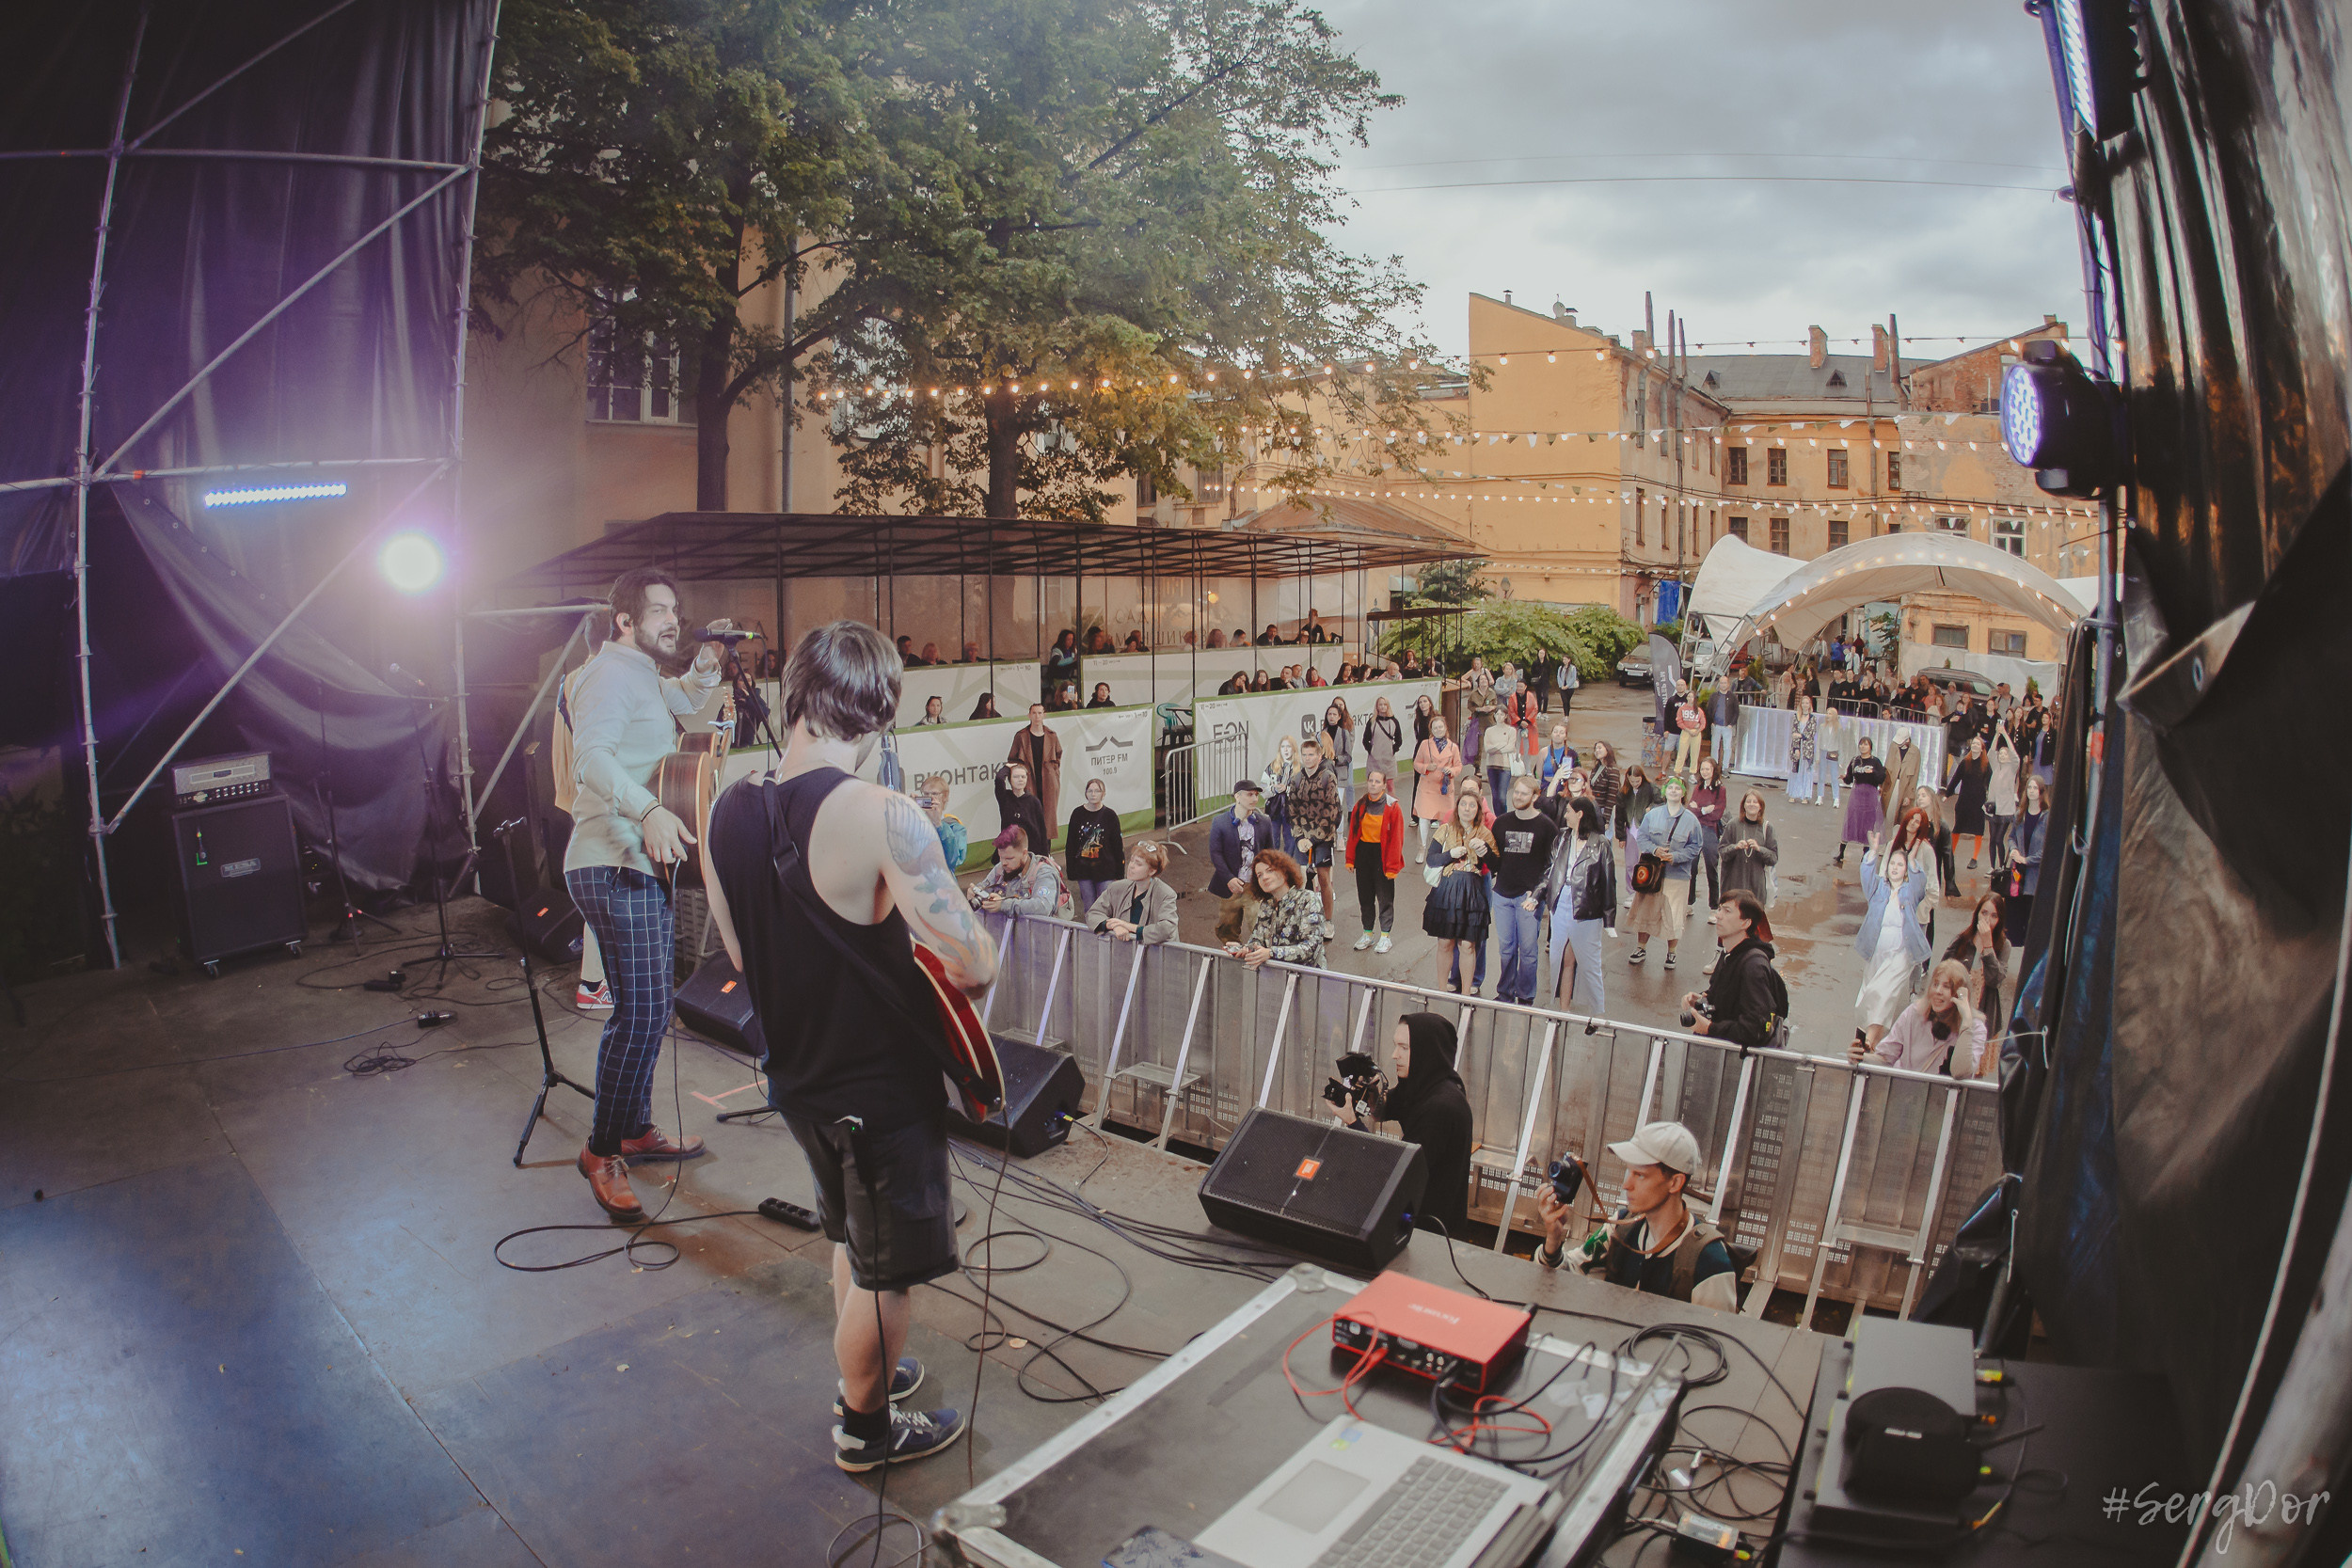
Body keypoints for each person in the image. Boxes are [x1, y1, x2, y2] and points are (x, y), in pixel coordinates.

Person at [701, 618, 996, 1471]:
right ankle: (864, 1428)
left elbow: (742, 953)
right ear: (878, 711)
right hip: (879, 1088)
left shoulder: (730, 808)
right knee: (885, 1272)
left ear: (796, 694)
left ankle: (864, 1372)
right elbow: (971, 966)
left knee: (849, 1237)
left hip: (798, 1078)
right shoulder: (880, 812)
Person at [562, 567, 731, 1220]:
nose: (672, 620)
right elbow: (591, 759)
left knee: (647, 1009)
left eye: (675, 609)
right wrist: (648, 809)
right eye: (658, 610)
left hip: (636, 862)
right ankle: (602, 1150)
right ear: (625, 620)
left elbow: (685, 702)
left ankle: (632, 1127)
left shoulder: (641, 675)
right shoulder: (606, 674)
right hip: (613, 857)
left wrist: (709, 666)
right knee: (643, 1013)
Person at [1534, 1121, 1738, 1311]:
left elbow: (1716, 1343)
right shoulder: (1622, 1228)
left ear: (1675, 1183)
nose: (1626, 1185)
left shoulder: (1710, 1261)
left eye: (1639, 1175)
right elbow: (1564, 1279)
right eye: (1629, 1172)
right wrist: (1553, 1239)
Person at [1334, 1014, 1474, 1238]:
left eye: (1404, 1048)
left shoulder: (1441, 1108)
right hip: (1419, 1218)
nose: (1394, 1055)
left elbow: (1395, 1173)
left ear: (1427, 1051)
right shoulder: (1429, 1081)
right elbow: (1387, 1108)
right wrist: (1370, 1095)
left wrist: (1353, 1123)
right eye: (1395, 1046)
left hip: (1430, 1235)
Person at [1541, 791, 1614, 1030]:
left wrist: (1609, 920)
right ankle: (1562, 1010)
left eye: (1569, 812)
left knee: (1590, 962)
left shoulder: (1601, 844)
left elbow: (1608, 882)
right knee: (1562, 958)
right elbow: (1551, 870)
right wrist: (1538, 895)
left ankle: (1599, 1014)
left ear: (1580, 814)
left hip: (1587, 908)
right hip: (1561, 903)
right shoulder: (1562, 838)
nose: (1565, 815)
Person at [1854, 835, 1931, 1056]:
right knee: (1872, 994)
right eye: (1892, 864)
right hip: (1876, 949)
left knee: (1883, 991)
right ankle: (1873, 1043)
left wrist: (1914, 860)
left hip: (1901, 952)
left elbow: (1920, 884)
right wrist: (1874, 851)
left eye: (1900, 865)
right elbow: (1866, 875)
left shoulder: (1910, 891)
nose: (1895, 868)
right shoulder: (1878, 888)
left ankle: (1868, 1039)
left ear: (1906, 870)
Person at [1852, 959, 1987, 1078]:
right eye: (1935, 984)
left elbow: (1961, 1073)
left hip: (1940, 1100)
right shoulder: (1914, 1013)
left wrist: (1966, 1024)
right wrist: (1859, 1057)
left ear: (1959, 994)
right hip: (1902, 1094)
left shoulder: (1975, 1029)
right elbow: (1885, 1058)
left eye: (1946, 986)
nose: (1938, 991)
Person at [1490, 775, 1559, 1005]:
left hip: (1528, 898)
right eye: (1516, 792)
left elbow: (1551, 866)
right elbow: (1496, 861)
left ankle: (1526, 995)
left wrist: (1538, 893)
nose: (1518, 797)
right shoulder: (1501, 823)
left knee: (1528, 951)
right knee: (1506, 949)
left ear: (1535, 796)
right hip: (1502, 894)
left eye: (1523, 793)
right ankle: (1505, 993)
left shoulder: (1547, 827)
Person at [1679, 893, 1781, 1048]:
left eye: (1727, 911)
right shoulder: (1729, 953)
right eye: (1719, 909)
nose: (1719, 916)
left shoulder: (1754, 966)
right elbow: (1729, 995)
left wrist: (1710, 1028)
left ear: (1745, 923)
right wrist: (1702, 998)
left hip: (1739, 1063)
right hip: (1722, 1054)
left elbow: (1755, 1029)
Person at [1424, 784, 1498, 995]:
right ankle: (1440, 990)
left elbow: (1496, 866)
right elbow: (1431, 858)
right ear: (1457, 808)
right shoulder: (1445, 829)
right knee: (1445, 942)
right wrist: (1450, 855)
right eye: (1463, 804)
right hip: (1447, 889)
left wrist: (1485, 853)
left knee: (1468, 945)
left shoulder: (1485, 833)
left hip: (1473, 891)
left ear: (1478, 810)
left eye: (1472, 805)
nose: (1467, 808)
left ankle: (1466, 994)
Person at [1628, 774, 1703, 969]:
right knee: (1645, 911)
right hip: (1652, 875)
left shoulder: (1691, 820)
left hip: (1678, 875)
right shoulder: (1652, 815)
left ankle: (1671, 953)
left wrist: (1676, 857)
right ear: (1664, 792)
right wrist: (1654, 850)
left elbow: (1696, 847)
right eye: (1670, 788)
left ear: (1684, 793)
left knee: (1674, 916)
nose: (1673, 791)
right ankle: (1640, 948)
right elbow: (1642, 838)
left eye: (1678, 788)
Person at [1227, 847, 1327, 969]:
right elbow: (1257, 941)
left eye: (1270, 870)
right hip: (1275, 978)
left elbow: (1310, 948)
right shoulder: (1266, 905)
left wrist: (1270, 953)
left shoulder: (1308, 899)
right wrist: (1244, 949)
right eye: (1259, 875)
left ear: (1285, 872)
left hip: (1308, 979)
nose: (1264, 877)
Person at [1345, 769, 1406, 953]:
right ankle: (1368, 934)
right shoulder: (1360, 805)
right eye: (1370, 781)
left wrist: (1392, 867)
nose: (1373, 784)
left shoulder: (1393, 807)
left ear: (1384, 784)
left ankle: (1385, 936)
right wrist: (1350, 859)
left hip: (1383, 855)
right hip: (1364, 854)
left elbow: (1397, 838)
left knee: (1385, 898)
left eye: (1377, 781)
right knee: (1365, 896)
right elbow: (1354, 833)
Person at [1289, 736, 1343, 920]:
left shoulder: (1328, 777)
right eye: (1304, 755)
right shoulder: (1295, 779)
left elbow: (1332, 812)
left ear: (1319, 756)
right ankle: (1304, 919)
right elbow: (1292, 811)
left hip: (1323, 838)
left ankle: (1328, 921)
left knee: (1323, 878)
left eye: (1311, 755)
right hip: (1302, 838)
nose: (1308, 758)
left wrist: (1313, 839)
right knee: (1301, 880)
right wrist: (1299, 839)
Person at [1944, 892, 2010, 1039]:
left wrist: (1988, 947)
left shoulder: (2004, 946)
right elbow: (1943, 971)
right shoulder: (1963, 940)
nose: (1987, 920)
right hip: (1957, 1013)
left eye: (1994, 916)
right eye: (1984, 913)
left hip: (1984, 1015)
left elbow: (1995, 980)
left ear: (2000, 920)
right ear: (1977, 914)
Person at [1086, 842, 1177, 943]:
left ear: (1152, 871)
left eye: (1138, 864)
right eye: (1132, 860)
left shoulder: (1166, 894)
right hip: (1124, 953)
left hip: (1155, 956)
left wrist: (1129, 927)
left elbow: (1167, 929)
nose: (1131, 866)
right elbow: (1093, 913)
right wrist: (1114, 925)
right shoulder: (1117, 887)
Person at [971, 825, 1068, 915]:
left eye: (1009, 858)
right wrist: (977, 892)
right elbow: (985, 887)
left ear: (1024, 853)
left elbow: (1044, 906)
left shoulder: (1043, 873)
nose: (1003, 863)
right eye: (1001, 857)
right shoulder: (1000, 869)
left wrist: (1004, 905)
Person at [1717, 789, 1778, 931]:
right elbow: (1722, 852)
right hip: (1733, 885)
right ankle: (1724, 951)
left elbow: (1773, 858)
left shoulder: (1767, 828)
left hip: (1756, 888)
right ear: (1743, 805)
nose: (1751, 805)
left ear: (1760, 806)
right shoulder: (1733, 824)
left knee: (1753, 928)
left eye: (1755, 802)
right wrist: (1734, 847)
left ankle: (1754, 952)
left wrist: (1759, 849)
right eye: (1748, 801)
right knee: (1730, 925)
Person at [1064, 776, 1124, 910]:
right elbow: (1071, 844)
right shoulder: (1077, 813)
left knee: (1104, 906)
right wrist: (1071, 870)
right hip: (1084, 870)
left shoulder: (1110, 815)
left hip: (1106, 871)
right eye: (1090, 791)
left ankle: (1104, 929)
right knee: (1089, 906)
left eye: (1097, 791)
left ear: (1103, 794)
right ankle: (1090, 930)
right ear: (1085, 793)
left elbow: (1117, 846)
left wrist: (1120, 872)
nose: (1093, 794)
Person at [2003, 772, 2050, 944]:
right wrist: (2014, 850)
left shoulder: (2046, 817)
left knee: (2032, 913)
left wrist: (2027, 860)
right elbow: (2011, 837)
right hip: (2018, 873)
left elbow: (2048, 849)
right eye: (2029, 787)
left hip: (2035, 874)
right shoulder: (2020, 814)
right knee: (2015, 913)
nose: (2031, 791)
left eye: (2035, 788)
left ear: (2041, 792)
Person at [1007, 702, 1064, 826]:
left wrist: (1053, 772)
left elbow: (1058, 755)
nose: (1037, 716)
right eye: (1034, 713)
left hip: (1048, 782)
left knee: (1047, 820)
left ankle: (1046, 845)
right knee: (1029, 819)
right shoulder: (1021, 736)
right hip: (1029, 781)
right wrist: (1020, 774)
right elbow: (1012, 759)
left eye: (1040, 713)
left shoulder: (1052, 736)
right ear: (1029, 715)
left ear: (1044, 715)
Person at [1208, 779, 1266, 898]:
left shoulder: (1265, 822)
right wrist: (1229, 878)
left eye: (1256, 795)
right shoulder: (1220, 822)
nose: (1255, 799)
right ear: (1237, 797)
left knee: (1254, 917)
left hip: (1255, 886)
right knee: (1228, 917)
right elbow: (1216, 853)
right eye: (1250, 795)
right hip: (1230, 887)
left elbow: (1269, 853)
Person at [1410, 715, 1462, 849]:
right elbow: (1416, 763)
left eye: (1441, 727)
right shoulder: (1424, 744)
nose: (1438, 730)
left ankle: (1443, 849)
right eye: (1435, 728)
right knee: (1424, 819)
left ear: (1445, 728)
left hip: (1444, 789)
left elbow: (1458, 766)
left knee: (1444, 821)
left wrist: (1451, 770)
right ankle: (1421, 849)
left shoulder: (1453, 747)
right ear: (1431, 730)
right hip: (1427, 788)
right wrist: (1426, 767)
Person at [1944, 734, 1993, 873]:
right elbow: (1955, 779)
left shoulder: (1986, 765)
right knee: (1958, 827)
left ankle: (1974, 858)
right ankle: (1950, 854)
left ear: (1982, 748)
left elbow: (1989, 784)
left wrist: (1989, 800)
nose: (1975, 746)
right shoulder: (1965, 762)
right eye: (1974, 744)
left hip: (1978, 803)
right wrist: (1947, 794)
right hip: (1964, 801)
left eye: (1978, 744)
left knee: (1978, 830)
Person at [1837, 736, 1886, 867]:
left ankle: (1865, 854)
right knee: (1851, 820)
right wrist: (1844, 778)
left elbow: (1881, 777)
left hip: (1870, 794)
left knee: (1868, 822)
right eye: (1861, 744)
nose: (1863, 747)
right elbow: (1849, 778)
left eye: (1866, 744)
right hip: (1857, 794)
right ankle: (1842, 851)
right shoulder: (1855, 761)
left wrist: (1874, 772)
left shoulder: (1875, 762)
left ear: (1870, 747)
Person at [1687, 755, 1726, 913]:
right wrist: (1703, 810)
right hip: (1696, 830)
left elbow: (1717, 813)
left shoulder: (1720, 790)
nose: (1704, 772)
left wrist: (1700, 810)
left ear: (1713, 770)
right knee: (1692, 867)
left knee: (1712, 868)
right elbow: (1691, 810)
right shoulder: (1698, 787)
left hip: (1710, 831)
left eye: (1707, 769)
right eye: (1702, 769)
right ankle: (1689, 903)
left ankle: (1714, 906)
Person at [993, 761, 1048, 863]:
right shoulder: (1005, 798)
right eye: (1016, 777)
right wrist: (1007, 767)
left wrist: (1044, 856)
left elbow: (1042, 830)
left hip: (1031, 851)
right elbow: (999, 779)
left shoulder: (1034, 801)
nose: (1020, 780)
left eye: (1023, 777)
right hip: (1010, 849)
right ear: (1010, 779)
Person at [1259, 733, 1303, 856]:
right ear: (1279, 749)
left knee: (1290, 841)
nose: (1286, 750)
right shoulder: (1272, 767)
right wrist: (1274, 789)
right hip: (1274, 809)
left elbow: (1304, 792)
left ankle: (1288, 864)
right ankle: (1274, 863)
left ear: (1294, 748)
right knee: (1273, 839)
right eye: (1283, 746)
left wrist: (1287, 789)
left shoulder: (1300, 768)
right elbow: (1262, 789)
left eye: (1288, 746)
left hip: (1292, 811)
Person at [1985, 721, 2021, 870]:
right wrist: (1997, 734)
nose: (2002, 756)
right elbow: (1990, 753)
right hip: (1993, 807)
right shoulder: (1995, 766)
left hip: (2005, 809)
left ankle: (2002, 866)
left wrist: (2005, 734)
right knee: (1992, 840)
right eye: (2001, 754)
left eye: (2005, 754)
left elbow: (2015, 756)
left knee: (2000, 839)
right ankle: (1992, 867)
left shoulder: (2012, 768)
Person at [917, 774, 966, 871]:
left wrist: (938, 824)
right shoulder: (916, 822)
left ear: (945, 797)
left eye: (934, 794)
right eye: (926, 794)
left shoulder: (955, 827)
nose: (930, 798)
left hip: (943, 880)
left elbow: (953, 861)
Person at [1478, 696, 1518, 806]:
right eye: (1497, 714)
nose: (1499, 716)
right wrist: (1501, 745)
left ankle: (1502, 817)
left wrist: (1496, 747)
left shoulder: (1511, 730)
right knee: (1495, 796)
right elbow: (1488, 748)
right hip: (1491, 765)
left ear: (1505, 716)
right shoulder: (1489, 731)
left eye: (1501, 714)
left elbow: (1510, 747)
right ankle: (1496, 818)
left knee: (1502, 796)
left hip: (1505, 766)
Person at [1360, 695, 1404, 795]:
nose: (1383, 707)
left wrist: (1393, 750)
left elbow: (1399, 740)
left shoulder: (1394, 721)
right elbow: (1365, 740)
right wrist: (1372, 750)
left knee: (1390, 785)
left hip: (1389, 760)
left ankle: (1391, 807)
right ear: (1377, 707)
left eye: (1385, 704)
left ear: (1388, 706)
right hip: (1374, 760)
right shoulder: (1372, 721)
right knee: (1373, 785)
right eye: (1380, 704)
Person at [1322, 697, 1356, 815]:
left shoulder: (1344, 733)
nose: (1331, 716)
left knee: (1338, 805)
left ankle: (1340, 833)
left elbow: (1348, 756)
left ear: (1339, 716)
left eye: (1334, 714)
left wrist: (1337, 759)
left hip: (1340, 774)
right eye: (1329, 714)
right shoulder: (1322, 734)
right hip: (1326, 774)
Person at [1787, 694, 1821, 805]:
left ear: (1810, 705)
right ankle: (1793, 793)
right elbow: (1794, 733)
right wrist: (1796, 747)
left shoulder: (1813, 718)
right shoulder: (1796, 717)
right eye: (1803, 703)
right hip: (1797, 747)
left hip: (1807, 748)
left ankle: (1804, 795)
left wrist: (1800, 736)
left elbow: (1810, 734)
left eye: (1807, 703)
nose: (1805, 705)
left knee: (1806, 771)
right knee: (1795, 770)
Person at [1588, 739, 1623, 848]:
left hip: (1605, 810)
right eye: (1596, 749)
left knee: (1605, 840)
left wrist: (1606, 819)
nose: (1597, 751)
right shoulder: (1597, 768)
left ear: (1608, 750)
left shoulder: (1613, 770)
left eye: (1600, 748)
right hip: (1594, 808)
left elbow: (1612, 797)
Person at [1881, 732, 1921, 823]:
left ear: (1907, 740)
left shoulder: (1915, 752)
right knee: (1886, 814)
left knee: (1901, 816)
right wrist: (1882, 786)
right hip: (1890, 784)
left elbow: (1915, 775)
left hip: (1905, 785)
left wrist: (1909, 795)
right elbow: (1887, 766)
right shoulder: (1893, 746)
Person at [1673, 686, 1707, 776]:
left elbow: (1703, 723)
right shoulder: (1682, 709)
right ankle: (1677, 772)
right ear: (1686, 698)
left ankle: (1693, 772)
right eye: (1689, 696)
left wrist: (1698, 730)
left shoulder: (1699, 710)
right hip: (1685, 732)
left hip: (1696, 733)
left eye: (1692, 697)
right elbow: (1679, 722)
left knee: (1695, 753)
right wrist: (1688, 729)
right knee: (1682, 752)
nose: (1690, 699)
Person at [1536, 721, 1577, 793]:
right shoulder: (1543, 752)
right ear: (1551, 735)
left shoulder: (1571, 753)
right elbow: (1538, 775)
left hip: (1564, 791)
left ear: (1566, 737)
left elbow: (1577, 773)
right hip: (1546, 789)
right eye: (1555, 732)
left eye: (1561, 733)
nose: (1558, 734)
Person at [1707, 677, 1739, 766]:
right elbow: (1709, 709)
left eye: (1725, 683)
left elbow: (1736, 711)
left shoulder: (1732, 697)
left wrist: (1731, 724)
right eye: (1721, 683)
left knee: (1727, 748)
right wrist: (1712, 722)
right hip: (1716, 726)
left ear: (1728, 684)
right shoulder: (1714, 696)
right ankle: (1714, 766)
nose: (1723, 685)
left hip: (1727, 726)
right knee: (1714, 747)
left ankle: (1725, 767)